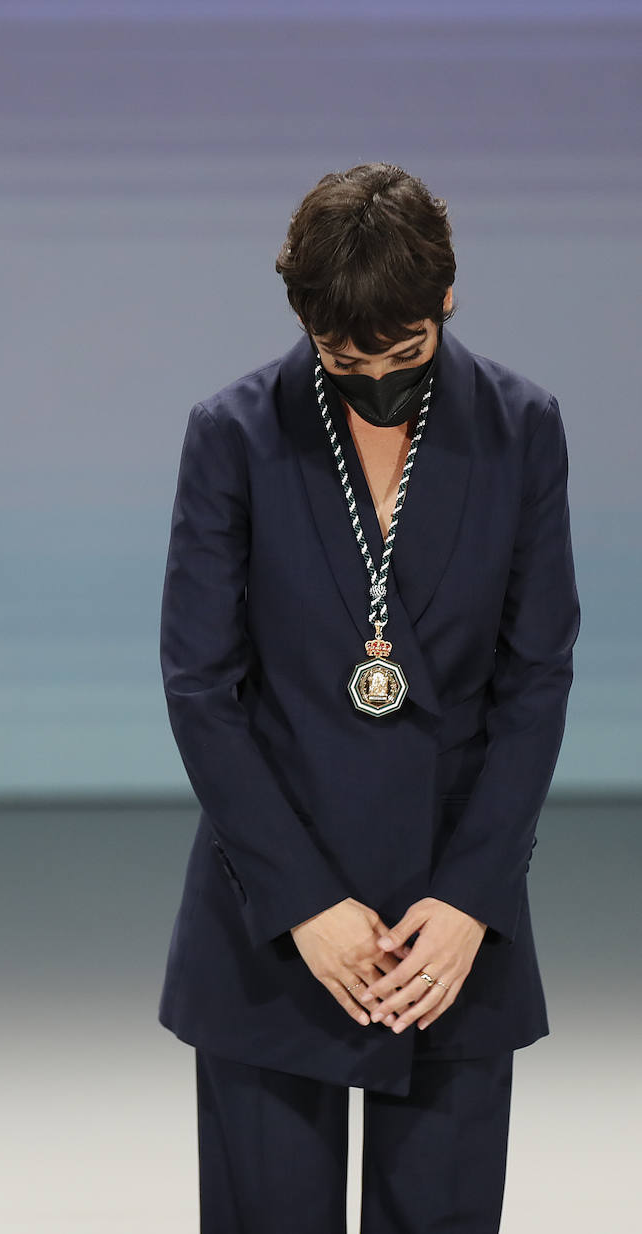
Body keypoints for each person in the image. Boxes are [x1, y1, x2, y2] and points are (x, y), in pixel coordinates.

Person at [158, 164, 577, 1233]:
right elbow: (202, 684)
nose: (376, 377)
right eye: (346, 360)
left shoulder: (523, 429)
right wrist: (301, 901)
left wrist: (471, 902)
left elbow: (536, 675)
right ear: (303, 320)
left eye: (403, 354)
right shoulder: (235, 435)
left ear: (448, 298)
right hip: (273, 923)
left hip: (451, 936)